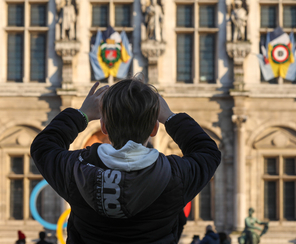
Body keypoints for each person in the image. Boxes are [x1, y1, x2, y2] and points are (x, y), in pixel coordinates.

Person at [30, 78, 221, 243]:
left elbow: (44, 146)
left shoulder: (75, 171)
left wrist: (82, 115)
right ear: (154, 128)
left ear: (104, 126)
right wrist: (170, 117)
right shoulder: (175, 177)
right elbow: (208, 151)